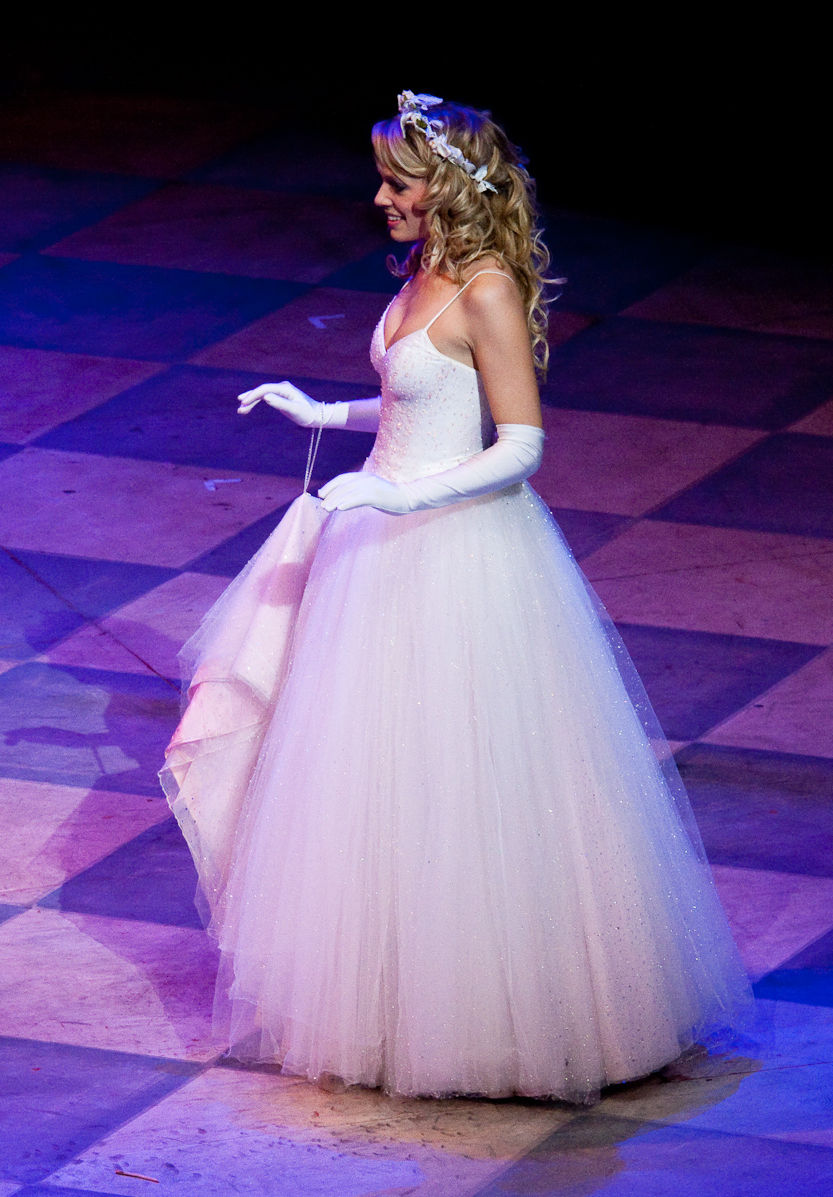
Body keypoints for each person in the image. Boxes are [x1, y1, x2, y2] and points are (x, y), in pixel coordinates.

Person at [160, 91, 749, 1104]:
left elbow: (519, 446)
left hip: (458, 552)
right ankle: (391, 1003)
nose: (379, 198)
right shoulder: (422, 270)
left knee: (463, 774)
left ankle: (505, 1020)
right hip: (380, 547)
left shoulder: (485, 290)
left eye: (396, 182)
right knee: (373, 774)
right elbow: (413, 401)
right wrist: (326, 413)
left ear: (447, 188)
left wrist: (399, 495)